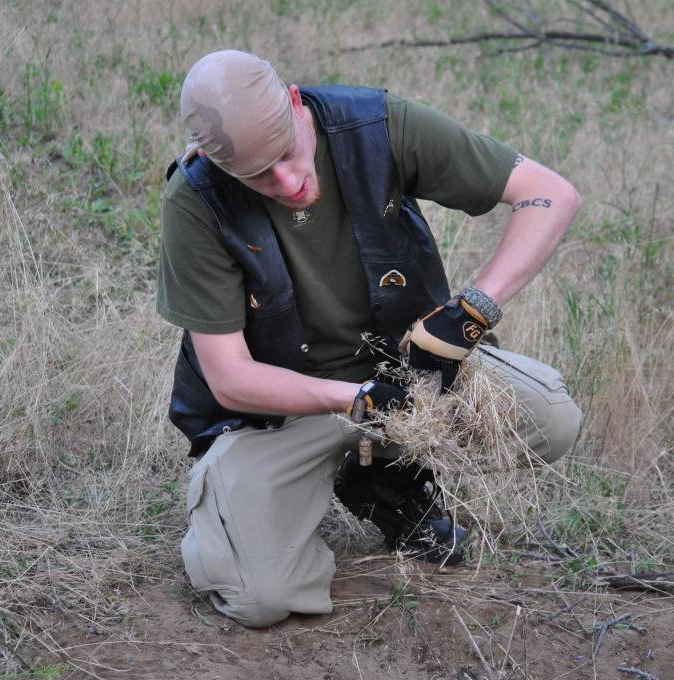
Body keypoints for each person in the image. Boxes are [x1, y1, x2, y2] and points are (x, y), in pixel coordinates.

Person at [157, 50, 583, 628]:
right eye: (257, 175)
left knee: (551, 418)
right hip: (282, 410)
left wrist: (471, 311)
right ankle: (299, 480)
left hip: (405, 370)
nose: (287, 183)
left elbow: (550, 194)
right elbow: (230, 377)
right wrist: (351, 400)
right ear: (213, 159)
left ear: (294, 101)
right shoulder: (196, 198)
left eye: (287, 153)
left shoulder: (376, 126)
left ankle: (384, 477)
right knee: (260, 598)